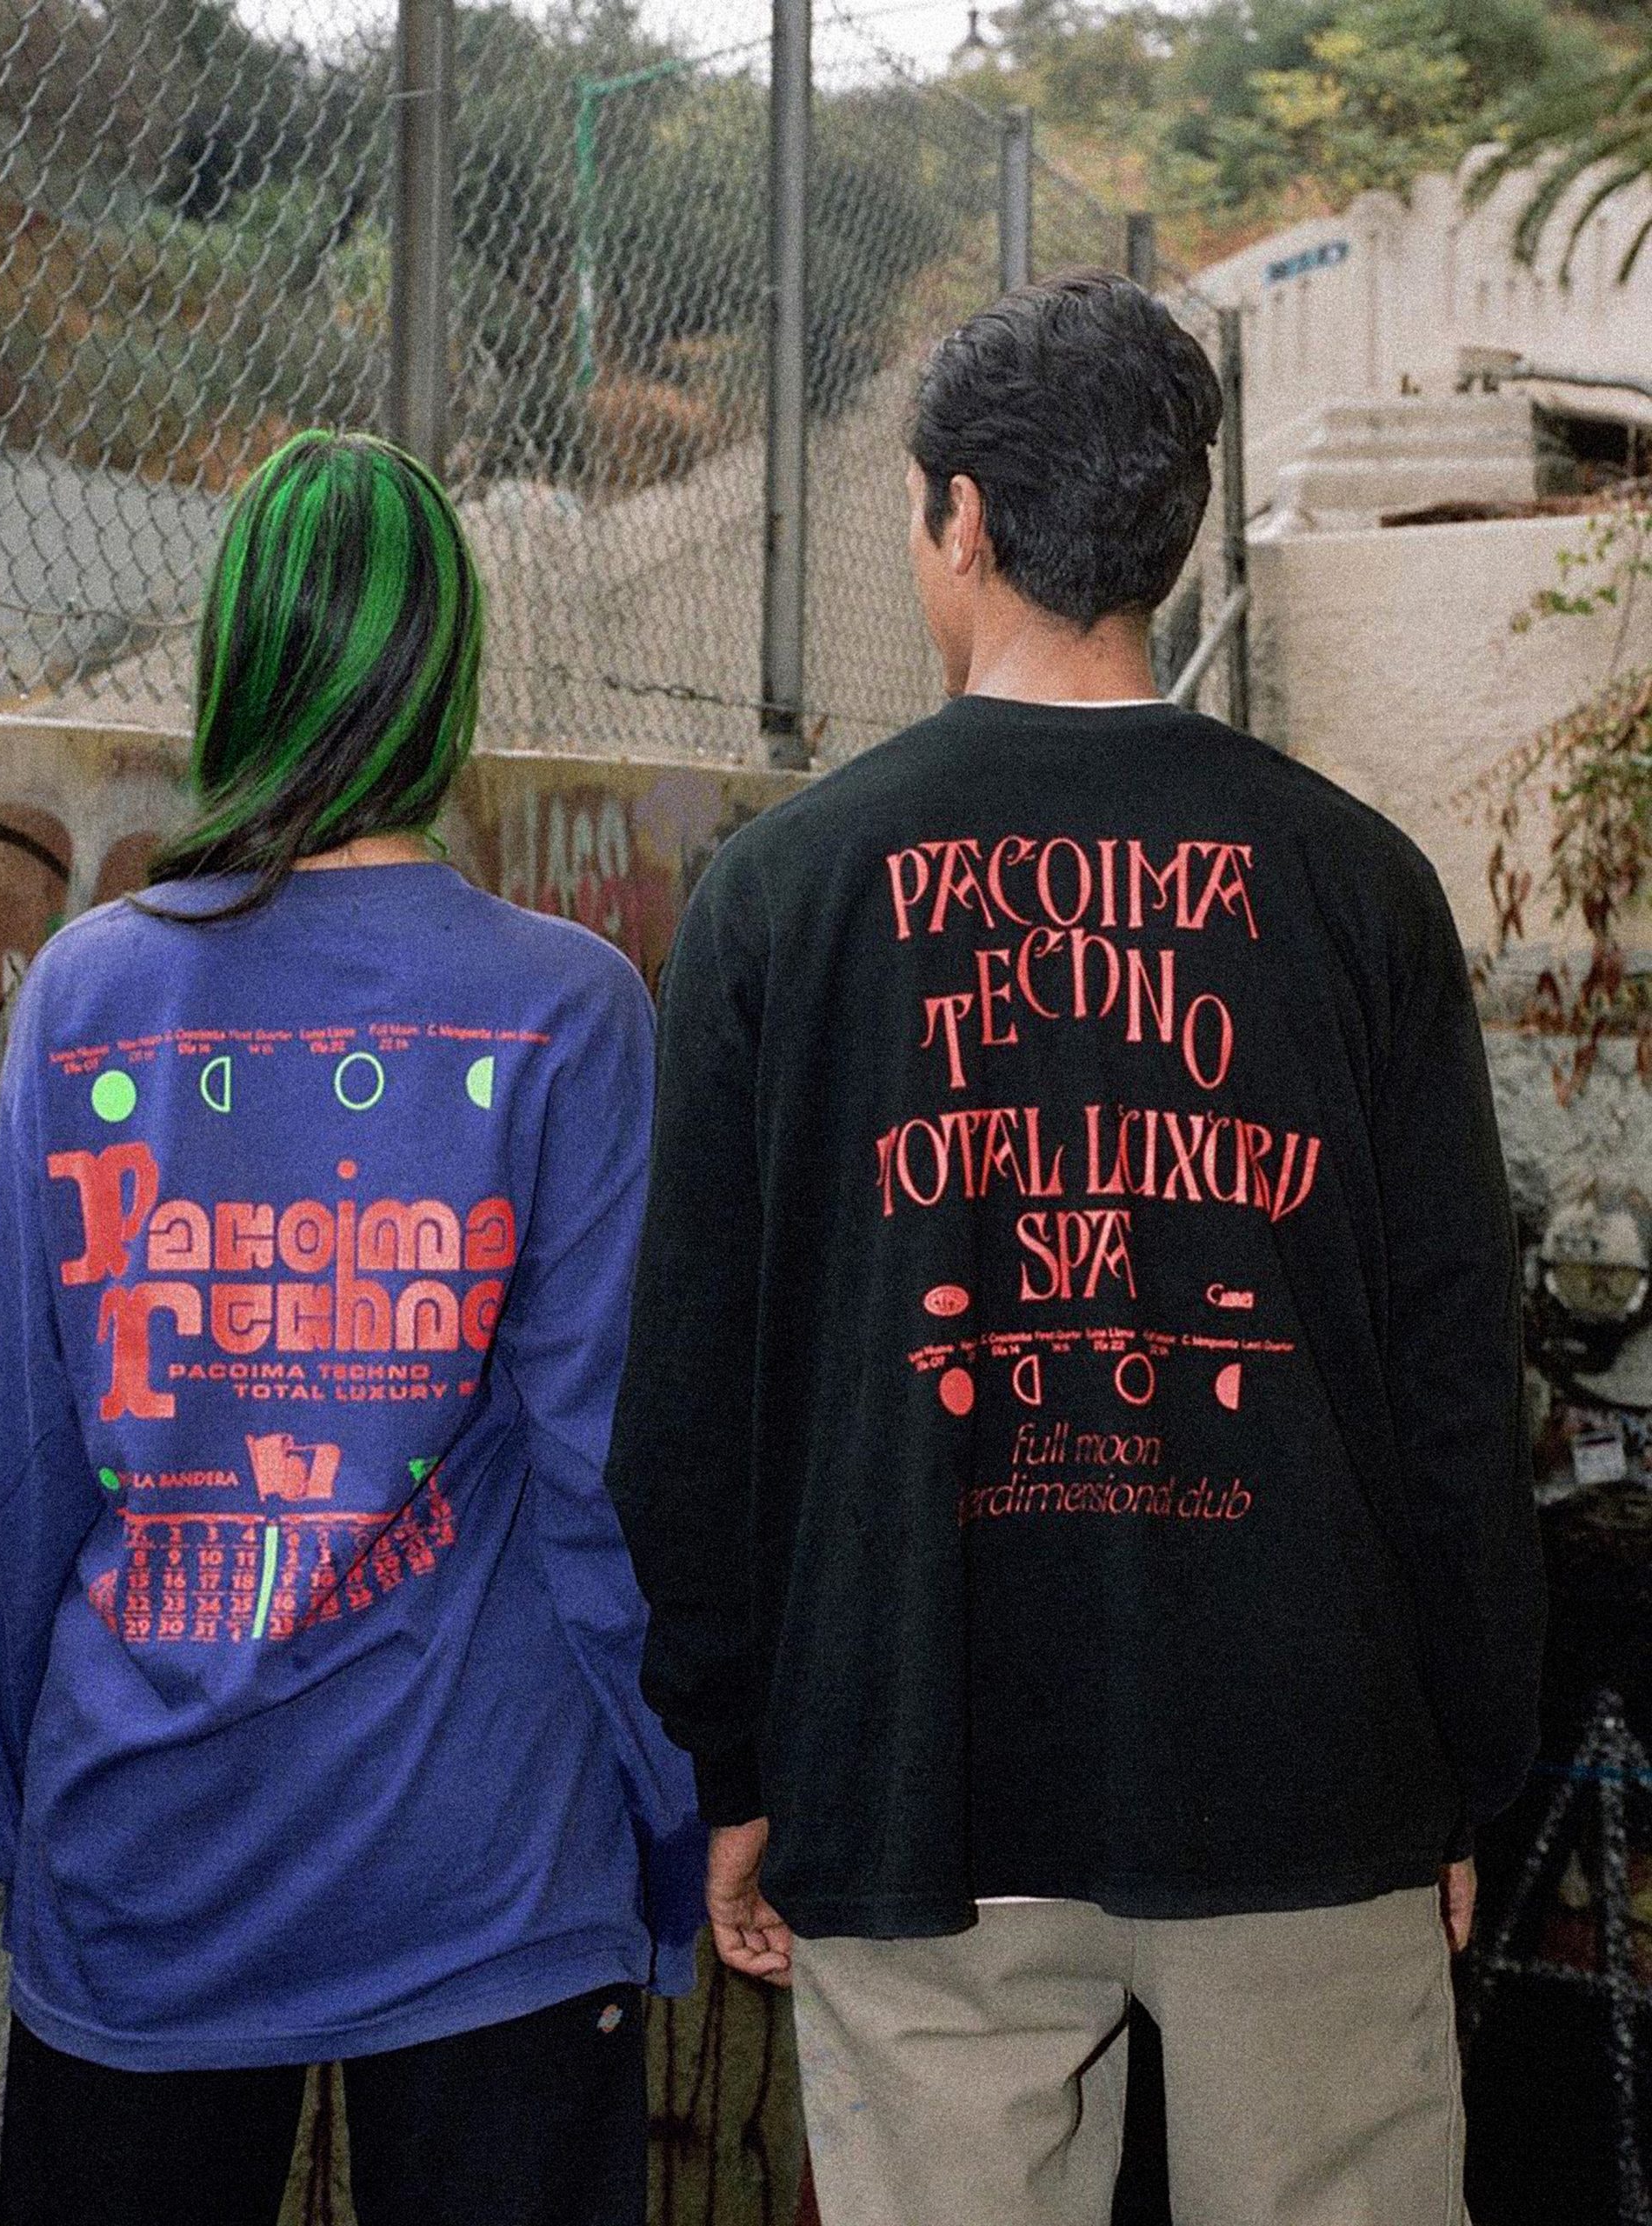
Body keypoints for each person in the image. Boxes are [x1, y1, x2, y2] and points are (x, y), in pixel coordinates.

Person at [603, 272, 1545, 2226]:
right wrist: (1463, 1760)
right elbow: (1461, 1383)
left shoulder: (780, 896)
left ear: (958, 518)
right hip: (1312, 1767)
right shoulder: (1360, 885)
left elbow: (691, 1398)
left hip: (909, 1762)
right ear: (1175, 530)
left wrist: (738, 1754)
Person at [0, 430, 701, 2226]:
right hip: (492, 1879)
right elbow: (604, 1486)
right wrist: (681, 1812)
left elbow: (29, 1471)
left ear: (235, 667)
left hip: (150, 1863)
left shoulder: (84, 994)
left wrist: (30, 1812)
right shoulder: (569, 1008)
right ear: (446, 680)